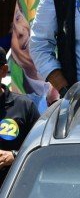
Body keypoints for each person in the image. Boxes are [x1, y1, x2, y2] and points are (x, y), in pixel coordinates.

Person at [0, 48, 40, 186]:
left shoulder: (24, 106)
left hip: (14, 188)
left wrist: (14, 156)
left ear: (3, 71)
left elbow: (40, 148)